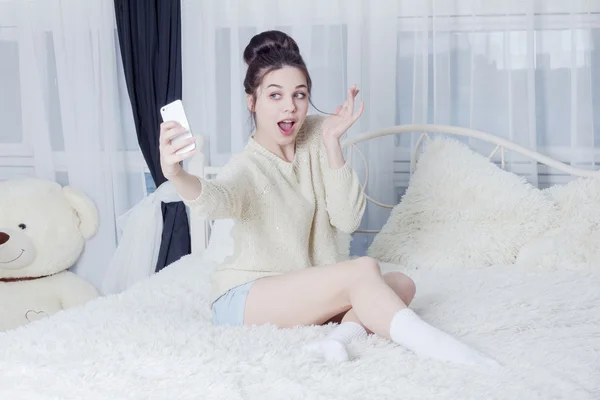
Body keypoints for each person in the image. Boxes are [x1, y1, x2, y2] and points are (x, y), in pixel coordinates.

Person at [159, 30, 497, 366]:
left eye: (300, 95)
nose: (290, 108)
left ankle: (336, 342)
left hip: (306, 293)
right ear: (253, 101)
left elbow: (348, 219)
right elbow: (217, 199)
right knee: (365, 269)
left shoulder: (320, 134)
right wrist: (178, 175)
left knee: (400, 284)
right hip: (247, 297)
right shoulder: (247, 166)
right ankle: (437, 346)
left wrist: (334, 142)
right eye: (275, 95)